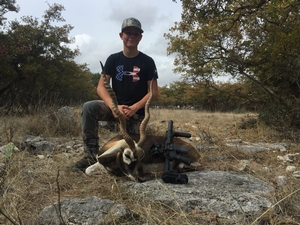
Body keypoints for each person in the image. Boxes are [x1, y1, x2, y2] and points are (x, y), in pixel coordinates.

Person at [70, 17, 159, 171]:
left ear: (140, 37)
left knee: (130, 150)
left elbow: (154, 92)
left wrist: (134, 108)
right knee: (89, 107)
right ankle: (90, 156)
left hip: (135, 113)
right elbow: (101, 87)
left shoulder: (147, 62)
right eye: (128, 33)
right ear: (121, 35)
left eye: (135, 33)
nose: (131, 36)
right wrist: (114, 107)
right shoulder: (113, 59)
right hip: (115, 108)